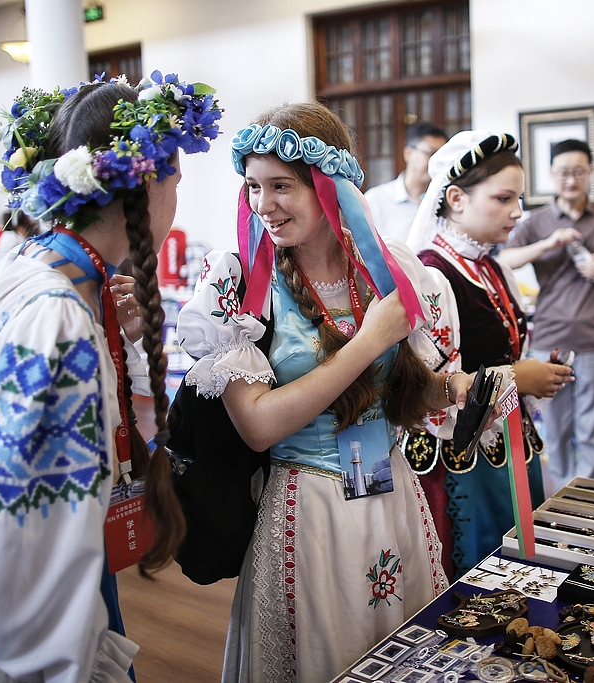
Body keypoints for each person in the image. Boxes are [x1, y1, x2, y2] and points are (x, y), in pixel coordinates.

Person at [0, 72, 222, 682]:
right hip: (26, 646)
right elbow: (21, 528)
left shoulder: (28, 270)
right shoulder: (57, 323)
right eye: (176, 180)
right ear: (145, 185)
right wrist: (63, 663)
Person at [178, 103, 470, 682]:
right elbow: (258, 425)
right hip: (307, 512)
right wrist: (367, 342)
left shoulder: (391, 270)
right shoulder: (237, 283)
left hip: (392, 499)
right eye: (254, 187)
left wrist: (451, 389)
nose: (264, 206)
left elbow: (402, 397)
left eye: (281, 186)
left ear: (328, 184)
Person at [404, 131, 574, 579]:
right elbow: (431, 387)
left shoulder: (492, 266)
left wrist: (534, 376)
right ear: (456, 198)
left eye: (517, 198)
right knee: (477, 573)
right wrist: (520, 376)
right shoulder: (431, 274)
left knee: (517, 562)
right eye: (503, 198)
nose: (517, 212)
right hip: (459, 455)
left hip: (507, 439)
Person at [499, 139, 594, 492]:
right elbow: (505, 261)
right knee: (556, 426)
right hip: (550, 339)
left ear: (591, 172)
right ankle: (562, 493)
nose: (571, 180)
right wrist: (549, 244)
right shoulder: (539, 221)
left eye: (579, 172)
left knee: (592, 425)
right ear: (551, 175)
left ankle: (589, 495)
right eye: (563, 172)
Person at [364, 121, 447, 243]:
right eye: (431, 154)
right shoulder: (376, 200)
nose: (436, 162)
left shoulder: (447, 202)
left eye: (442, 156)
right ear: (408, 154)